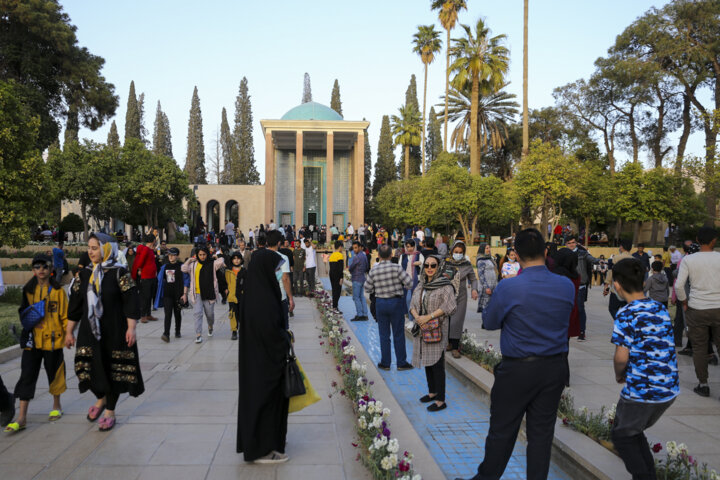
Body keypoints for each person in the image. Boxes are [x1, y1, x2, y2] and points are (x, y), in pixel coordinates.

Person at [458, 229, 574, 480]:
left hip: (518, 370)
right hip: (554, 368)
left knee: (502, 431)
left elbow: (489, 322)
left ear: (516, 256)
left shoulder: (509, 287)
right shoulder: (566, 285)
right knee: (541, 436)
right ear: (545, 251)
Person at [65, 233, 144, 432]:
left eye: (95, 247)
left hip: (115, 330)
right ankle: (100, 399)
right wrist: (69, 332)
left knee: (113, 370)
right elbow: (75, 306)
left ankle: (110, 410)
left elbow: (131, 302)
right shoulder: (83, 275)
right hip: (89, 331)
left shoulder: (119, 273)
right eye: (89, 248)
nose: (90, 252)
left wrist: (132, 328)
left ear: (106, 248)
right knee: (85, 367)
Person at [609, 258, 679, 480]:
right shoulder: (659, 308)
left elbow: (621, 355)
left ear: (617, 284)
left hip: (644, 390)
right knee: (631, 430)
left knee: (622, 436)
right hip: (669, 389)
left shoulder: (626, 313)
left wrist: (619, 374)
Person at [237, 246, 291, 464]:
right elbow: (270, 333)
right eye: (275, 269)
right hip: (264, 366)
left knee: (262, 401)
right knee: (265, 403)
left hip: (258, 363)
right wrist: (285, 338)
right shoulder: (264, 300)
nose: (278, 273)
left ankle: (266, 444)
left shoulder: (256, 293)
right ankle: (262, 449)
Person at [4, 254, 68, 433]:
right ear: (33, 270)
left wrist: (68, 334)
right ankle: (22, 417)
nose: (41, 270)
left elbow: (65, 315)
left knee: (54, 372)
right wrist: (31, 321)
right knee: (27, 375)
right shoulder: (28, 290)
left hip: (53, 340)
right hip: (32, 340)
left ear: (51, 269)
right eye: (37, 267)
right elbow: (23, 312)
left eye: (45, 267)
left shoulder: (58, 291)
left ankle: (57, 405)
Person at [674, 226, 720, 397]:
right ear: (714, 240)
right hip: (718, 308)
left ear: (697, 240)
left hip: (697, 308)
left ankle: (703, 384)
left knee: (700, 349)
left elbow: (679, 285)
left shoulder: (689, 260)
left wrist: (684, 302)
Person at [409, 254, 457, 412]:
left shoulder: (445, 286)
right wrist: (418, 318)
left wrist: (428, 317)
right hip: (423, 328)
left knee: (437, 363)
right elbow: (412, 304)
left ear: (439, 267)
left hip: (436, 329)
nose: (429, 268)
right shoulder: (421, 284)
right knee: (427, 362)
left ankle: (441, 400)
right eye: (427, 265)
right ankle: (432, 392)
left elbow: (449, 306)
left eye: (433, 265)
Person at [365, 245, 414, 371]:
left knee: (384, 335)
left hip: (381, 303)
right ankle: (401, 363)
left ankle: (386, 363)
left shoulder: (374, 270)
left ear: (379, 256)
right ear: (391, 255)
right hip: (396, 302)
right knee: (398, 333)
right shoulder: (397, 268)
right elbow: (409, 283)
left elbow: (367, 288)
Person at [181, 247, 225, 344]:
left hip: (209, 293)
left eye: (204, 254)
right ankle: (198, 335)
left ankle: (210, 326)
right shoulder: (193, 265)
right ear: (197, 255)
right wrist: (189, 260)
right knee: (197, 313)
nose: (202, 257)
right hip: (196, 293)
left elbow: (221, 261)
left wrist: (216, 256)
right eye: (200, 255)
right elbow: (183, 268)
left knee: (209, 314)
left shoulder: (212, 263)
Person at [444, 241, 478, 358]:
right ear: (452, 251)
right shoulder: (446, 263)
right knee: (447, 320)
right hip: (447, 296)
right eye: (456, 252)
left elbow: (473, 279)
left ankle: (455, 347)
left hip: (461, 297)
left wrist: (474, 289)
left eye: (460, 252)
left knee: (456, 321)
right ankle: (448, 343)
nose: (457, 254)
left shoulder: (467, 264)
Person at [565, 236, 600, 342]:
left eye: (573, 242)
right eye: (569, 243)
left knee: (580, 308)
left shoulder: (582, 253)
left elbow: (593, 260)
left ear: (576, 243)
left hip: (580, 284)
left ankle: (581, 331)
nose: (571, 244)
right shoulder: (564, 254)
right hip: (567, 285)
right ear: (566, 244)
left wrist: (601, 260)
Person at [154, 248, 188, 342]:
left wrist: (184, 294)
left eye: (172, 255)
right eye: (169, 255)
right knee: (168, 314)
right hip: (167, 294)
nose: (170, 257)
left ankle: (177, 331)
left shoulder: (182, 266)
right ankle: (166, 333)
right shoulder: (165, 267)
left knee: (177, 314)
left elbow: (186, 281)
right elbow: (160, 279)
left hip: (178, 294)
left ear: (177, 255)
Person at [267, 230, 294, 329]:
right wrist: (290, 298)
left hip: (265, 298)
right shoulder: (283, 258)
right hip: (280, 297)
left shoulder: (258, 257)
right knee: (282, 327)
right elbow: (285, 278)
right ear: (279, 243)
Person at [603, 239, 633, 319]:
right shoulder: (634, 259)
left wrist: (606, 285)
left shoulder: (616, 258)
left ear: (621, 247)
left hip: (616, 289)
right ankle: (625, 323)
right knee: (626, 309)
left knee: (612, 308)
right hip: (629, 290)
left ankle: (620, 322)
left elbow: (610, 273)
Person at [131, 234, 158, 323]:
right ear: (153, 240)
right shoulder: (146, 249)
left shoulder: (150, 250)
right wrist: (140, 269)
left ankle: (148, 314)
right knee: (145, 296)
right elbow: (140, 261)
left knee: (150, 296)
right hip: (146, 276)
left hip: (152, 276)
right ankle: (143, 315)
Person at [225, 251, 246, 341]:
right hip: (232, 296)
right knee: (233, 314)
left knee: (242, 313)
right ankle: (234, 331)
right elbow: (225, 282)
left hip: (242, 296)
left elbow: (247, 283)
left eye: (238, 259)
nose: (236, 260)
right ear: (232, 260)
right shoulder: (228, 271)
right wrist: (226, 291)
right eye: (234, 259)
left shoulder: (244, 271)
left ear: (241, 260)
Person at [400, 240, 424, 319]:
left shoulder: (419, 255)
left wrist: (419, 263)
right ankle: (410, 319)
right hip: (405, 281)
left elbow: (424, 266)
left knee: (411, 300)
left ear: (414, 246)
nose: (410, 248)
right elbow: (399, 268)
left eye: (411, 246)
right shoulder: (403, 256)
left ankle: (412, 319)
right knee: (407, 300)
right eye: (408, 246)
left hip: (416, 281)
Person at [475, 243, 498, 328]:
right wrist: (486, 286)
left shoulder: (490, 258)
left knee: (492, 304)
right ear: (482, 249)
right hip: (486, 286)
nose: (488, 249)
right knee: (486, 305)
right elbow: (480, 275)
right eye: (486, 248)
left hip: (493, 285)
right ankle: (484, 323)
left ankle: (490, 322)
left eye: (489, 248)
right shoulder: (481, 260)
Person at [348, 241, 369, 321]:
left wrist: (351, 270)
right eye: (354, 248)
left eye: (356, 248)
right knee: (362, 297)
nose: (355, 249)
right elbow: (367, 266)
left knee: (356, 297)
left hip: (356, 278)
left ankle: (360, 314)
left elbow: (351, 267)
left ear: (360, 247)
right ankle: (365, 314)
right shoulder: (364, 256)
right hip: (362, 278)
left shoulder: (357, 257)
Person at [328, 241, 344, 311]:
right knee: (338, 291)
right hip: (337, 275)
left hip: (331, 274)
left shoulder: (332, 255)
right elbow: (341, 268)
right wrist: (341, 277)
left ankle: (334, 306)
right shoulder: (340, 255)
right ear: (340, 247)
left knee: (334, 290)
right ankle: (335, 307)